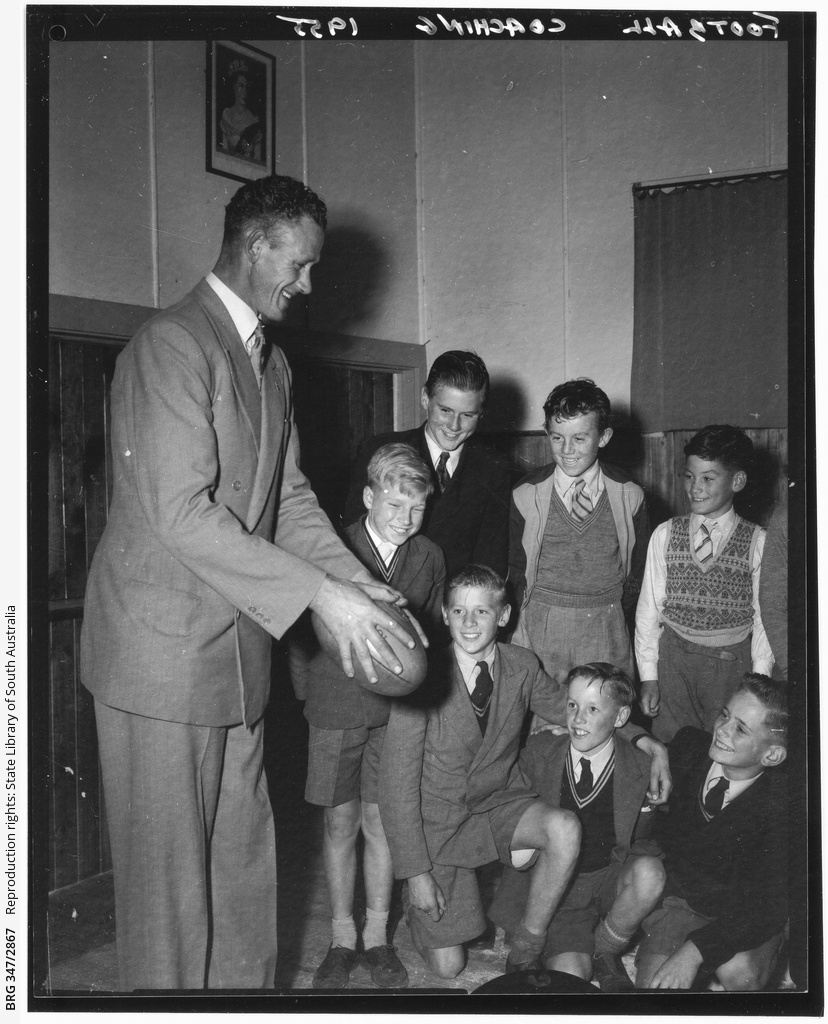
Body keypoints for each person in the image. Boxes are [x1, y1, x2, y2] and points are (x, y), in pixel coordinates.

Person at [80, 173, 421, 991]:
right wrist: (318, 597)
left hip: (236, 660)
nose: (305, 286)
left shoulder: (270, 365)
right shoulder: (170, 345)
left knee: (241, 877)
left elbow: (291, 500)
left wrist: (357, 581)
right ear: (254, 245)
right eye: (297, 266)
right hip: (157, 663)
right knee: (170, 900)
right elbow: (181, 513)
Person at [378, 565, 671, 980]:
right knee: (449, 967)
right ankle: (418, 907)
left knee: (564, 827)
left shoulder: (521, 664)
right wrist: (416, 873)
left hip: (501, 805)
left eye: (481, 612)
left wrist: (645, 740)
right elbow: (396, 788)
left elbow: (574, 713)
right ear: (444, 615)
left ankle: (527, 944)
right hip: (441, 825)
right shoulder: (420, 677)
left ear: (504, 616)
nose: (469, 622)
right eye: (458, 611)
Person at [304, 443, 446, 990]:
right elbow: (300, 635)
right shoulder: (332, 550)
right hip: (334, 704)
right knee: (339, 820)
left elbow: (430, 638)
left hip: (398, 714)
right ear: (368, 497)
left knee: (382, 820)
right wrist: (307, 696)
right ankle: (341, 937)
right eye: (394, 506)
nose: (406, 520)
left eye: (416, 509)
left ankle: (378, 936)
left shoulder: (429, 556)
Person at [488, 663, 666, 992]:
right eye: (572, 705)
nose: (578, 718)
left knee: (651, 873)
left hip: (609, 877)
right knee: (572, 977)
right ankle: (553, 944)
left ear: (621, 717)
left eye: (592, 709)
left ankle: (607, 951)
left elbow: (645, 838)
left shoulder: (641, 765)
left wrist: (649, 806)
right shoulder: (541, 753)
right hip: (558, 892)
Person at [635, 675, 788, 991]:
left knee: (741, 973)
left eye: (741, 729)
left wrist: (695, 952)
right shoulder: (690, 747)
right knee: (651, 996)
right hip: (684, 902)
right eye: (725, 715)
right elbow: (619, 726)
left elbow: (765, 908)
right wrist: (649, 745)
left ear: (771, 755)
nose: (722, 730)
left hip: (742, 915)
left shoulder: (783, 808)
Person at [636, 425, 773, 742]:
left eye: (708, 478)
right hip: (673, 664)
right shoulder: (665, 534)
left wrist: (758, 678)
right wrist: (649, 675)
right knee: (672, 746)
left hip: (730, 668)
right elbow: (648, 610)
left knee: (725, 746)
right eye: (689, 476)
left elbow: (764, 617)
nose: (695, 487)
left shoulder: (758, 542)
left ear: (737, 481)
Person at [509, 378, 649, 685]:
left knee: (605, 715)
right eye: (557, 438)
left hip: (606, 626)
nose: (567, 450)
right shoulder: (525, 493)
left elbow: (638, 570)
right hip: (543, 625)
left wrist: (616, 613)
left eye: (580, 439)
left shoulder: (629, 494)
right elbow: (516, 571)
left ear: (603, 437)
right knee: (541, 719)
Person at [343, 351, 510, 579]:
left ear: (481, 414)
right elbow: (355, 536)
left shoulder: (493, 468)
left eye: (468, 415)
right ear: (425, 398)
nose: (454, 425)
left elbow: (492, 558)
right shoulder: (380, 448)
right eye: (445, 410)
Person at [219, 59, 263, 161]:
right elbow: (223, 156)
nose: (244, 92)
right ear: (234, 87)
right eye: (241, 86)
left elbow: (258, 159)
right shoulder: (227, 115)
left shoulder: (253, 120)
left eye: (246, 87)